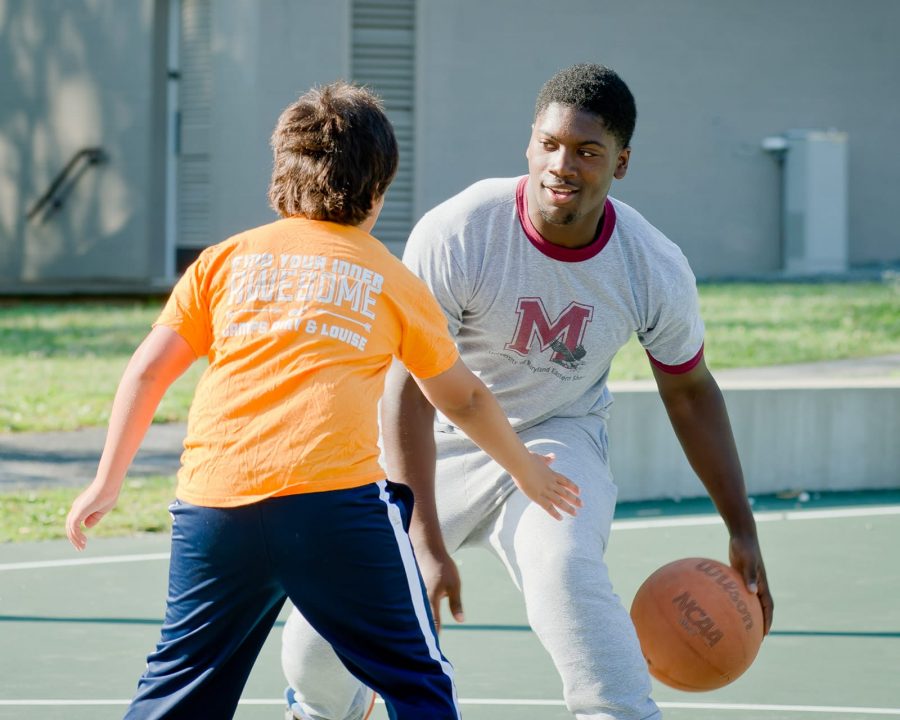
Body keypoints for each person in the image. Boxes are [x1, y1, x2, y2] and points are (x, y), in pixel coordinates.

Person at [65, 81, 581, 720]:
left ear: (280, 173)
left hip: (214, 507)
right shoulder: (392, 280)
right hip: (332, 509)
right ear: (379, 191)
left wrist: (106, 482)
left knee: (179, 687)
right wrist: (525, 467)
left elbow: (147, 374)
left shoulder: (221, 262)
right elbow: (465, 400)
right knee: (417, 681)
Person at [281, 64, 774, 719]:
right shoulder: (460, 230)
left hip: (557, 439)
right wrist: (421, 541)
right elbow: (405, 389)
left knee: (565, 570)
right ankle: (325, 710)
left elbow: (690, 393)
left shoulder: (652, 265)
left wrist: (742, 528)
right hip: (440, 438)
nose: (561, 164)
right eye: (549, 144)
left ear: (621, 164)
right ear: (529, 143)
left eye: (587, 152)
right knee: (314, 644)